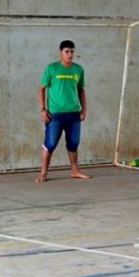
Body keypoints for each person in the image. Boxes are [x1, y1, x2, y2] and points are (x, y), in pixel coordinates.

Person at [36, 40, 90, 183]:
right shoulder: (51, 69)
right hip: (55, 114)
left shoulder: (78, 70)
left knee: (73, 143)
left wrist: (84, 109)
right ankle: (43, 173)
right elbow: (41, 89)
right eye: (67, 51)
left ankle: (74, 171)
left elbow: (81, 90)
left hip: (73, 113)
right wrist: (42, 109)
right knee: (50, 143)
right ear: (60, 52)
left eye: (72, 51)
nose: (70, 54)